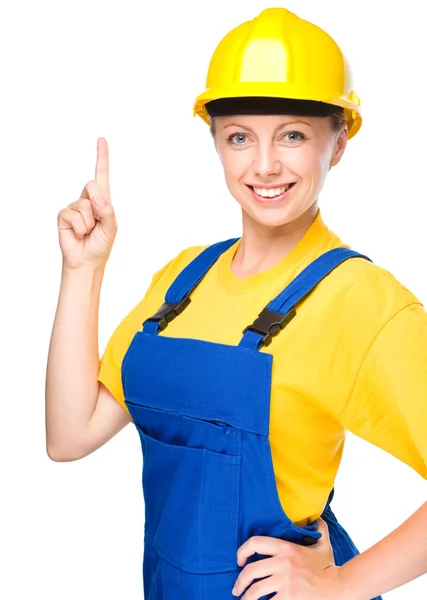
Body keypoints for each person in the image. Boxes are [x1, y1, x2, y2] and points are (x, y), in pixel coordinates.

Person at [45, 7, 427, 600]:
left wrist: (341, 585)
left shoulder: (363, 301)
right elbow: (70, 435)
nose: (265, 164)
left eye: (294, 134)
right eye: (240, 137)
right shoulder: (184, 282)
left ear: (340, 141)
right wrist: (82, 270)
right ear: (217, 143)